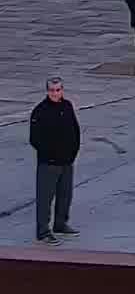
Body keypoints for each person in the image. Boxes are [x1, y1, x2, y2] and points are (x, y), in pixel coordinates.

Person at [29, 77, 80, 243]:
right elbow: (35, 139)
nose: (55, 93)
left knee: (65, 195)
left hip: (66, 162)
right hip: (48, 164)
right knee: (45, 198)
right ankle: (43, 231)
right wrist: (50, 155)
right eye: (52, 90)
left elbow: (75, 130)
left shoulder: (67, 106)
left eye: (58, 90)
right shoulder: (40, 111)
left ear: (62, 90)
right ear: (47, 91)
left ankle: (60, 224)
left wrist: (72, 153)